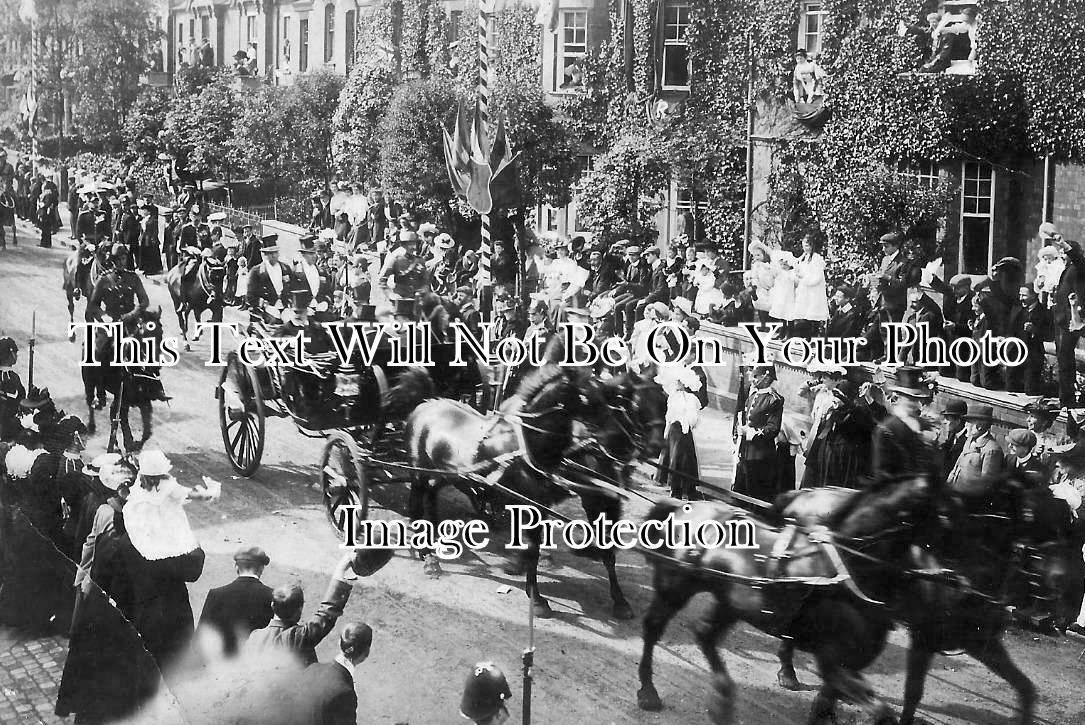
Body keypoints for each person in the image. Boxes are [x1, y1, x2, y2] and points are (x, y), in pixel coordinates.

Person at [246, 552, 359, 666]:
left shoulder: (254, 637)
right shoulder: (295, 638)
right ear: (299, 610)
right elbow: (326, 613)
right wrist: (341, 571)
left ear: (272, 605)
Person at [654, 326, 708, 500]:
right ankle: (671, 483)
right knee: (673, 452)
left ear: (693, 355)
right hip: (676, 412)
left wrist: (688, 398)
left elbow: (703, 399)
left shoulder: (699, 373)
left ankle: (682, 487)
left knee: (682, 455)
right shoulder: (682, 367)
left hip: (686, 414)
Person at [198, 546, 274, 657]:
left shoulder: (216, 594)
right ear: (261, 568)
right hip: (258, 664)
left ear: (236, 567)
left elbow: (201, 637)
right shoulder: (272, 595)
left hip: (223, 665)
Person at [871, 366, 939, 485]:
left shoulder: (924, 425)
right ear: (900, 397)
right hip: (896, 493)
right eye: (908, 398)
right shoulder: (887, 428)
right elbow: (882, 472)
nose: (912, 403)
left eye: (915, 399)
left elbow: (932, 464)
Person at [732, 359, 785, 502]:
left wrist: (749, 432)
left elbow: (773, 428)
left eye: (756, 376)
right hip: (746, 452)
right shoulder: (751, 396)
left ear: (766, 378)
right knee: (741, 492)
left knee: (758, 494)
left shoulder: (774, 400)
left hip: (761, 455)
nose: (752, 379)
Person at [946, 406, 1004, 495]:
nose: (966, 426)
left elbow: (986, 483)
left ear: (979, 426)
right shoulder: (970, 439)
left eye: (969, 423)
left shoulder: (991, 450)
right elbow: (958, 465)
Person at [247, 234, 293, 324]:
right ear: (264, 254)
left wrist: (290, 304)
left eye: (276, 252)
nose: (274, 256)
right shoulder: (256, 271)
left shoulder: (285, 268)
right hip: (265, 309)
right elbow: (250, 296)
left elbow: (292, 287)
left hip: (284, 307)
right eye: (271, 253)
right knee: (274, 323)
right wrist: (264, 304)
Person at [873, 231, 911, 323]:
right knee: (879, 333)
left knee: (893, 334)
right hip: (883, 302)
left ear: (895, 246)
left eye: (886, 246)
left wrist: (887, 277)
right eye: (882, 246)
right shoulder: (885, 259)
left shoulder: (903, 262)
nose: (883, 249)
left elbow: (903, 284)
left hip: (895, 305)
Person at [938, 398, 969, 478]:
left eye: (948, 418)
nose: (944, 421)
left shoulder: (966, 441)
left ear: (958, 421)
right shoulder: (950, 435)